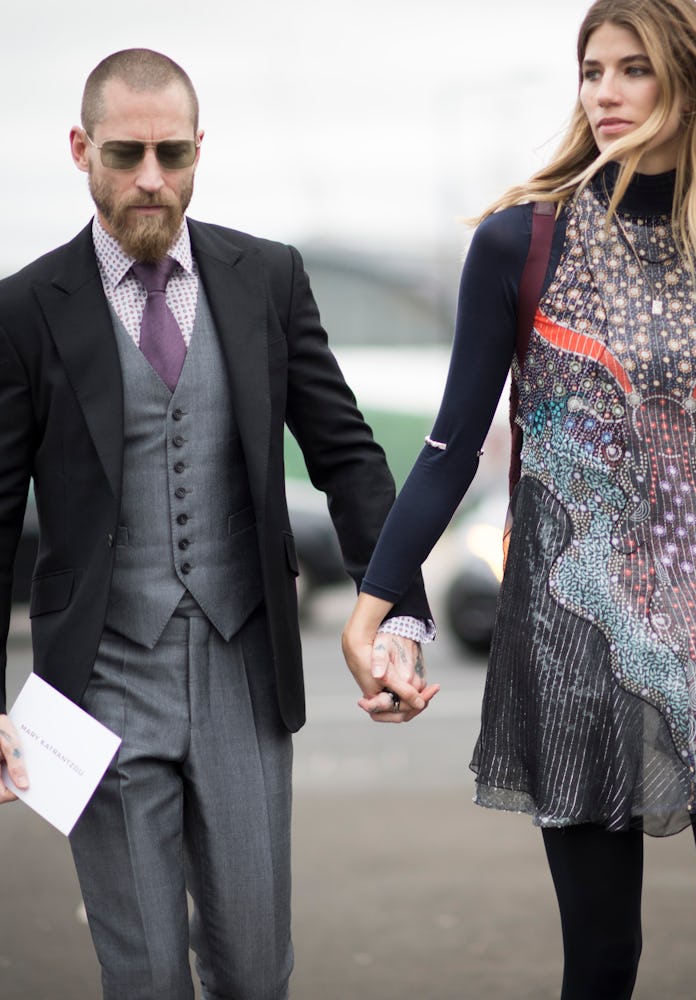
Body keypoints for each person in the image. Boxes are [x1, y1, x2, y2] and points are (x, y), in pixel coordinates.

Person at [0, 48, 437, 1000]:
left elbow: (347, 454)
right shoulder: (27, 306)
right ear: (81, 149)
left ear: (201, 150)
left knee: (252, 969)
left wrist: (397, 617)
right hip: (100, 684)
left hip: (245, 673)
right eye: (125, 155)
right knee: (147, 974)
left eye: (172, 153)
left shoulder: (266, 279)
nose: (151, 179)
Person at [343, 1, 696, 996]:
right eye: (592, 70)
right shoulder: (524, 241)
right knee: (605, 960)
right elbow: (446, 448)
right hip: (575, 638)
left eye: (632, 70)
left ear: (689, 80)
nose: (605, 92)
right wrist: (376, 605)